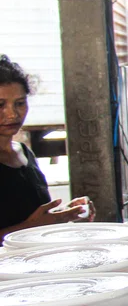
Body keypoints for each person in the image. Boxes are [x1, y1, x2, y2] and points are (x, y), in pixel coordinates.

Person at [0, 55, 93, 239]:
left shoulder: (24, 154)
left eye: (19, 103)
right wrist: (30, 228)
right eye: (0, 105)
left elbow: (34, 217)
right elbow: (31, 225)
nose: (12, 114)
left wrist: (65, 214)